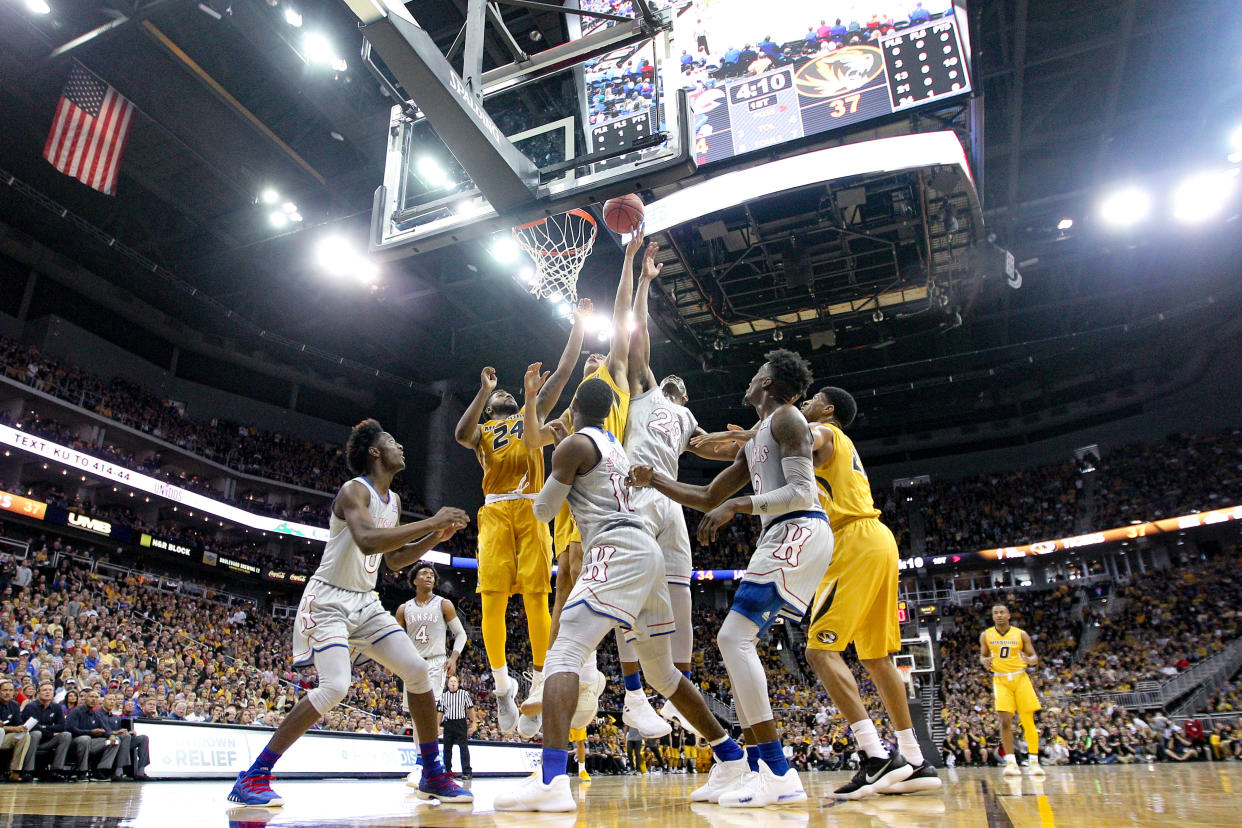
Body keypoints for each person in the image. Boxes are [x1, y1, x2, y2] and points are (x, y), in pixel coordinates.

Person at [495, 378, 749, 812]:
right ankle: (731, 757)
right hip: (648, 551)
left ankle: (552, 779)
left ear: (573, 405)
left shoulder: (573, 445)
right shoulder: (614, 445)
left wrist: (554, 460)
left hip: (616, 548)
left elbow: (543, 511)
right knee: (662, 673)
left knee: (563, 653)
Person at [227, 419, 473, 807]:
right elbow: (365, 540)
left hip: (365, 602)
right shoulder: (352, 490)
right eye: (392, 441)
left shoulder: (393, 502)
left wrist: (432, 537)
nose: (401, 446)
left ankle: (432, 773)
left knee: (419, 671)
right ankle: (253, 776)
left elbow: (392, 561)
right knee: (335, 687)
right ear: (375, 452)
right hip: (328, 602)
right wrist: (432, 520)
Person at [631, 349, 833, 807]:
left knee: (732, 640)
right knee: (733, 643)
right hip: (783, 533)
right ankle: (757, 770)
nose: (751, 377)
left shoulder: (787, 419)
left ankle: (777, 773)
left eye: (757, 372)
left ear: (768, 383)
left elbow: (803, 490)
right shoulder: (761, 433)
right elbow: (706, 496)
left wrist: (740, 505)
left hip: (799, 527)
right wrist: (654, 479)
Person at [522, 233, 668, 740]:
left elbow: (627, 320)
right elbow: (533, 439)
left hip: (613, 496)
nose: (592, 364)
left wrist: (630, 262)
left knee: (587, 573)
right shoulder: (573, 421)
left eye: (595, 362)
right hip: (580, 494)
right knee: (565, 579)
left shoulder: (617, 384)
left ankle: (626, 688)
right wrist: (530, 399)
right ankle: (568, 670)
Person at [453, 301, 587, 736]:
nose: (505, 395)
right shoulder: (482, 433)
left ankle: (539, 678)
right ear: (491, 406)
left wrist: (578, 327)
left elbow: (564, 372)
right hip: (494, 510)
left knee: (535, 595)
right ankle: (500, 688)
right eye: (499, 396)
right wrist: (483, 390)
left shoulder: (534, 417)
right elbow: (460, 434)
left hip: (532, 506)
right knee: (492, 597)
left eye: (506, 392)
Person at [619, 240, 733, 734]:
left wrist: (753, 437)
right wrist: (645, 281)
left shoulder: (687, 419)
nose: (677, 382)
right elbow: (639, 335)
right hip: (638, 493)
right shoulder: (644, 392)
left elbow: (714, 450)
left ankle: (677, 690)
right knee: (629, 588)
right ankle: (634, 693)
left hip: (671, 500)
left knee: (681, 590)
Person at [801, 387, 937, 797]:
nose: (804, 403)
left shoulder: (824, 431)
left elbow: (800, 436)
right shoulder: (840, 443)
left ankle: (874, 755)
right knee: (878, 658)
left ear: (826, 409)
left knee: (819, 650)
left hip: (852, 539)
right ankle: (914, 760)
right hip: (879, 540)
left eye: (810, 399)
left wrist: (747, 437)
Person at [981, 603, 1046, 777]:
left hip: (1020, 677)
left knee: (1027, 721)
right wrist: (983, 661)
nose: (999, 615)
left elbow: (1034, 657)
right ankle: (1011, 763)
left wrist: (1030, 660)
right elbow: (983, 655)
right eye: (995, 612)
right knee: (1005, 721)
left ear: (1009, 615)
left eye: (1002, 612)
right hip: (1000, 679)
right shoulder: (986, 635)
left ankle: (1034, 762)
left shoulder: (1020, 634)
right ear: (993, 616)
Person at [395, 562, 467, 708]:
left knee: (430, 709)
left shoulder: (443, 604)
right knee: (414, 712)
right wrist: (391, 662)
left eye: (432, 575)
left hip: (436, 661)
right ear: (415, 581)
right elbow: (396, 639)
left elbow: (461, 634)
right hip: (412, 663)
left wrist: (453, 658)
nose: (429, 576)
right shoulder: (404, 608)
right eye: (424, 573)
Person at [21, 682, 73, 779]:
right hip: (31, 741)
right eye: (44, 690)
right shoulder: (31, 706)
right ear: (38, 693)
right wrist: (51, 732)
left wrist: (44, 727)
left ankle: (56, 770)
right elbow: (32, 727)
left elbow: (62, 726)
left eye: (50, 690)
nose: (47, 692)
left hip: (47, 741)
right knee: (36, 734)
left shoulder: (56, 707)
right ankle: (28, 771)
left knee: (66, 735)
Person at [67, 690, 120, 780]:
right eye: (91, 697)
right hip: (74, 742)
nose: (93, 699)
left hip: (92, 744)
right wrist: (90, 732)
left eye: (96, 698)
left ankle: (102, 769)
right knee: (85, 739)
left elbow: (105, 730)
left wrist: (111, 735)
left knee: (115, 741)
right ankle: (82, 772)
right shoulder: (75, 712)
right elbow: (71, 729)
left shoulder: (96, 714)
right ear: (85, 699)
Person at [101, 692, 149, 780]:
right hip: (107, 740)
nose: (112, 702)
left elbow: (120, 731)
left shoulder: (115, 717)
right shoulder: (98, 714)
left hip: (121, 740)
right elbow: (103, 731)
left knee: (143, 738)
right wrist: (117, 733)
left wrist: (129, 732)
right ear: (103, 702)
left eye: (113, 700)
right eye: (109, 700)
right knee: (125, 737)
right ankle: (119, 772)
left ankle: (141, 771)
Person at [437, 676, 476, 779]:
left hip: (460, 723)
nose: (453, 683)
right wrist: (437, 725)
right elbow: (440, 712)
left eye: (455, 681)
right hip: (448, 723)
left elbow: (471, 709)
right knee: (447, 748)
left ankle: (467, 772)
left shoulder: (464, 694)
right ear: (447, 684)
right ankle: (448, 771)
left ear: (458, 684)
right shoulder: (444, 696)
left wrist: (474, 723)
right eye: (451, 681)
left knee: (463, 747)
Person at [1, 679, 31, 782]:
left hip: (6, 737)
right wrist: (14, 728)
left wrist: (23, 727)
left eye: (10, 690)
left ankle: (15, 772)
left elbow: (18, 723)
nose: (7, 693)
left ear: (14, 693)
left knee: (25, 736)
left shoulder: (14, 705)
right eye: (4, 690)